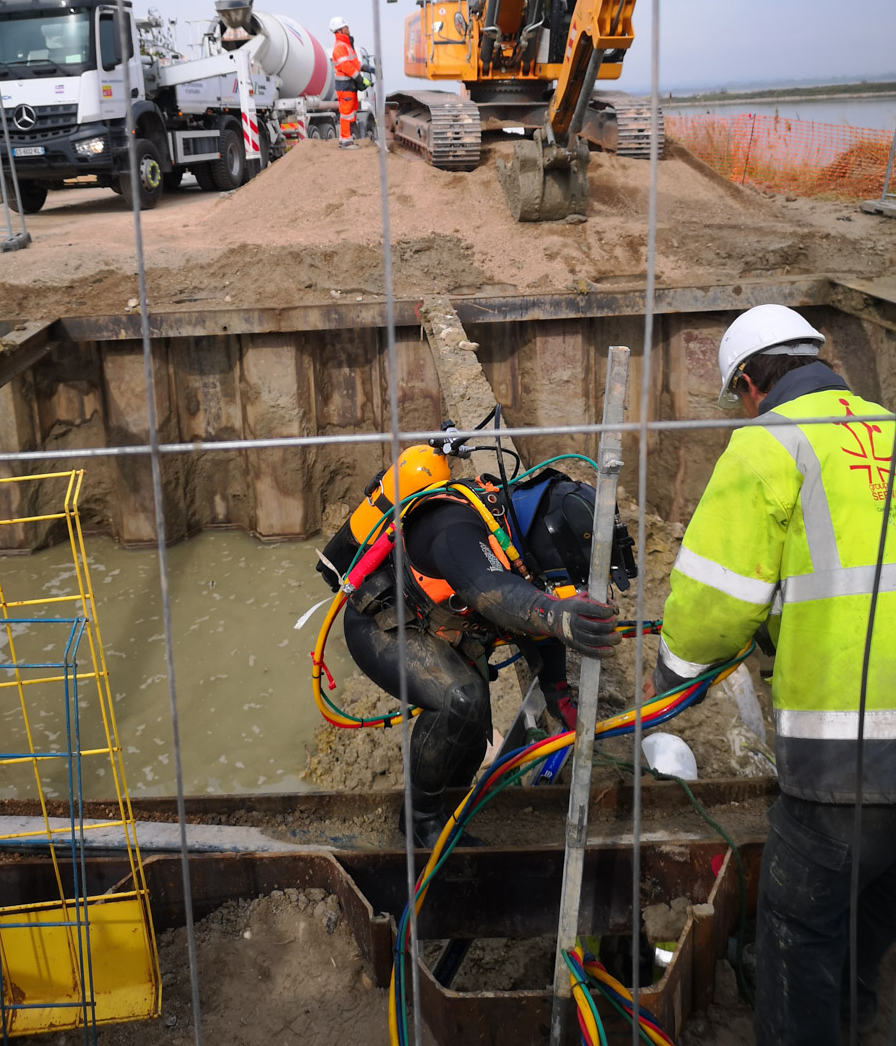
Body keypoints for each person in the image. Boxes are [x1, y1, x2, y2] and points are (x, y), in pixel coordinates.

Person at [643, 304, 896, 1044]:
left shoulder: (769, 447)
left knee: (799, 924)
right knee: (874, 901)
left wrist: (670, 682)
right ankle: (853, 1016)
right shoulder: (888, 426)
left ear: (751, 383)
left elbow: (711, 610)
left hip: (848, 756)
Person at [317, 446, 631, 848]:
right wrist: (556, 614)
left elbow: (532, 607)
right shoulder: (457, 528)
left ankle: (449, 807)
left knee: (473, 721)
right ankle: (419, 822)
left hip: (438, 624)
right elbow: (492, 590)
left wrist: (557, 692)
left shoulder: (517, 536)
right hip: (383, 620)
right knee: (461, 698)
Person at [328, 16, 363, 147]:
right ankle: (346, 141)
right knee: (346, 113)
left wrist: (365, 67)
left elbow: (353, 63)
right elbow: (346, 67)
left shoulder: (346, 45)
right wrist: (358, 77)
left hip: (349, 85)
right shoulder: (340, 46)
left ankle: (347, 139)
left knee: (350, 112)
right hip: (345, 85)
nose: (348, 28)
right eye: (346, 27)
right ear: (340, 31)